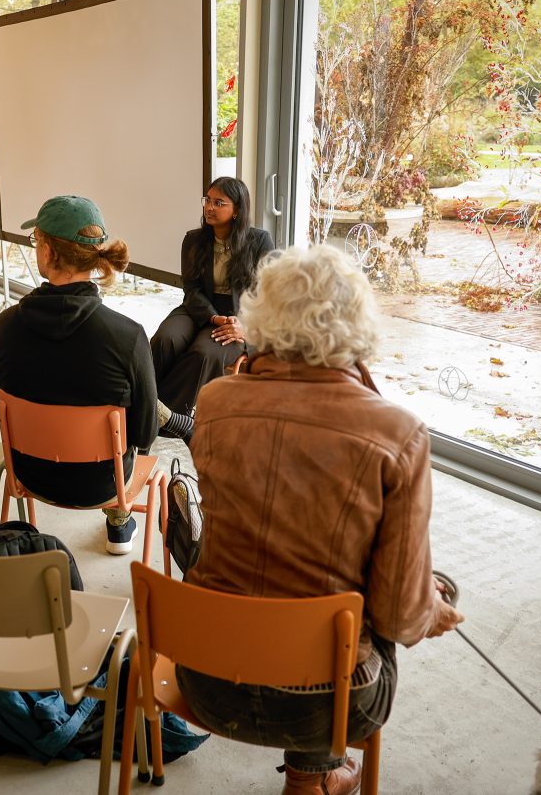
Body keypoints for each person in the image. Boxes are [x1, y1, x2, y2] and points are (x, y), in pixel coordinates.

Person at [176, 244, 465, 795]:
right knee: (424, 588)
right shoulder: (398, 433)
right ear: (359, 326)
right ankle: (312, 778)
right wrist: (431, 607)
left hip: (207, 676)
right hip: (328, 703)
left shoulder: (214, 403)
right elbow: (401, 621)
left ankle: (311, 778)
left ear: (263, 315)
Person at [0, 195, 157, 555]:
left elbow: (3, 403)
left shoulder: (5, 327)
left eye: (36, 241)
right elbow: (144, 434)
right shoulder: (127, 336)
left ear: (48, 253)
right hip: (103, 484)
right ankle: (118, 521)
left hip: (30, 474)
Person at [150, 176, 274, 420]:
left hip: (239, 315)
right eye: (207, 200)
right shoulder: (194, 240)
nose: (209, 207)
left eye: (219, 203)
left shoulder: (259, 241)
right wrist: (212, 317)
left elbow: (269, 294)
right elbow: (192, 289)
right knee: (165, 339)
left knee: (204, 353)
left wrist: (246, 326)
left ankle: (159, 415)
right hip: (198, 306)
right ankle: (144, 399)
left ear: (237, 210)